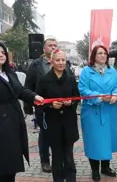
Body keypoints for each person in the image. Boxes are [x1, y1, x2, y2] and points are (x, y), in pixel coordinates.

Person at [0, 42, 44, 182]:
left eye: (2, 52)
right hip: (2, 124)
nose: (1, 55)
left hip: (13, 122)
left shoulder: (9, 72)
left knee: (11, 162)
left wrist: (34, 96)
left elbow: (20, 90)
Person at [24, 38, 69, 173]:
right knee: (44, 134)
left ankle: (61, 159)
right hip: (43, 107)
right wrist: (29, 106)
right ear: (44, 49)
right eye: (50, 45)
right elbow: (28, 86)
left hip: (61, 108)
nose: (53, 47)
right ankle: (45, 160)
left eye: (55, 45)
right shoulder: (36, 65)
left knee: (61, 133)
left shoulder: (63, 63)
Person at [35, 49, 80, 182]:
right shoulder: (44, 80)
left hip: (68, 123)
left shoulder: (71, 79)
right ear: (51, 62)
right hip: (53, 123)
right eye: (58, 60)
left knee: (69, 156)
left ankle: (71, 178)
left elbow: (77, 98)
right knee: (57, 156)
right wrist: (50, 105)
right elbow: (38, 102)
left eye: (63, 60)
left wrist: (70, 102)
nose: (61, 63)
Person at [78, 45, 117, 182]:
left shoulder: (112, 71)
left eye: (104, 53)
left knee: (107, 140)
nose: (102, 55)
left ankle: (106, 167)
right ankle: (95, 169)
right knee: (94, 141)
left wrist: (116, 95)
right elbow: (83, 89)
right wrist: (99, 96)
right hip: (92, 112)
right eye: (99, 53)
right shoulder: (86, 71)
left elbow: (116, 87)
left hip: (109, 111)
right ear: (93, 56)